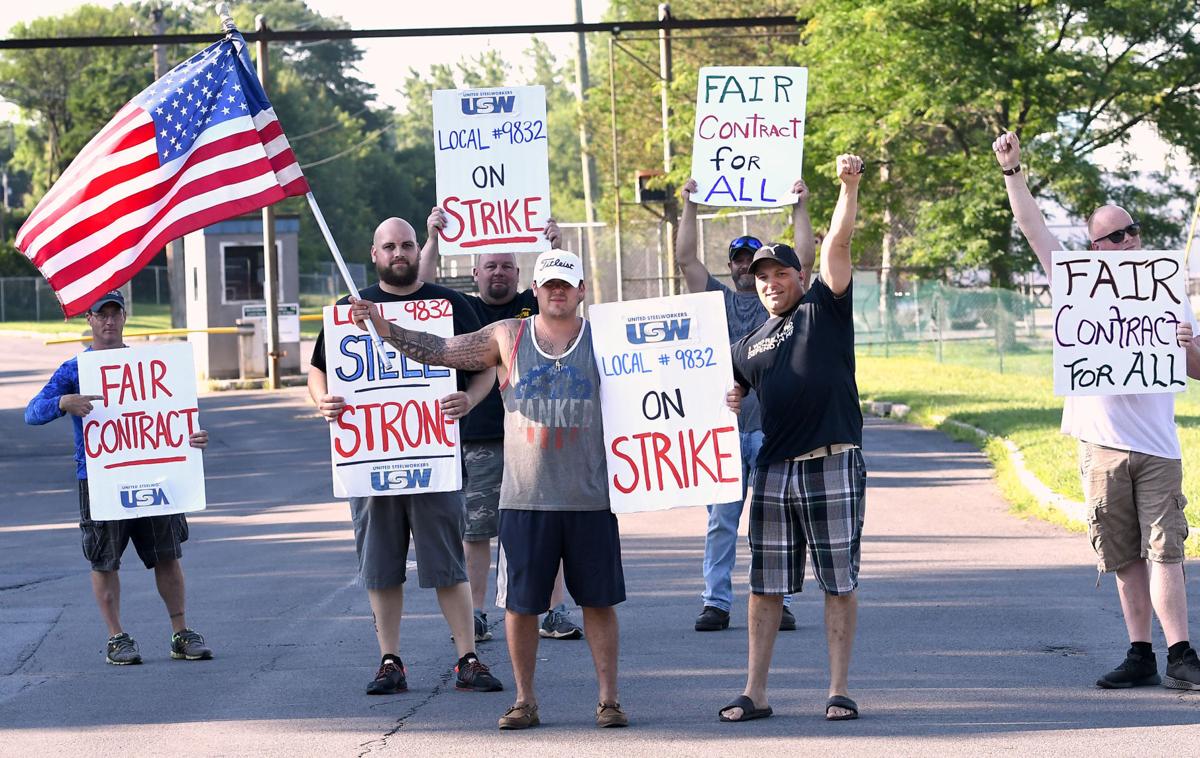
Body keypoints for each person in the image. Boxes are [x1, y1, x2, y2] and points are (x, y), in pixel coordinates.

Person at [349, 249, 628, 730]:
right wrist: (384, 328)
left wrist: (730, 393)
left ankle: (609, 700)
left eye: (567, 284)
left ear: (582, 290)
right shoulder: (508, 336)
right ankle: (525, 700)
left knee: (598, 602)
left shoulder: (606, 339)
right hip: (524, 499)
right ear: (535, 291)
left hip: (591, 497)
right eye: (549, 284)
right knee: (520, 606)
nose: (557, 291)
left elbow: (673, 381)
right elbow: (440, 350)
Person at [993, 131, 1200, 690]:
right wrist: (1014, 172)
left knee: (1165, 549)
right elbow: (1035, 230)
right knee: (1122, 554)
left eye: (1134, 229)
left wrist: (1187, 345)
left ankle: (1181, 652)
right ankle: (1140, 653)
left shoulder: (1168, 289)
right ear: (1097, 247)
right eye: (1117, 234)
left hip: (1157, 443)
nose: (1130, 238)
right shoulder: (1078, 285)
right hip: (1101, 442)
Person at [307, 216, 504, 696]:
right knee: (381, 565)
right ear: (374, 255)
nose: (399, 253)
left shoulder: (449, 305)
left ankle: (467, 659)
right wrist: (322, 401)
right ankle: (389, 660)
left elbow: (487, 364)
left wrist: (471, 400)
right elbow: (317, 371)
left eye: (407, 245)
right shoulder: (347, 310)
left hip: (432, 455)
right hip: (371, 460)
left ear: (419, 250)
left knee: (447, 564)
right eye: (389, 246)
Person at [719, 154, 868, 723]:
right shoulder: (748, 346)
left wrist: (847, 190)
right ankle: (755, 692)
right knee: (765, 585)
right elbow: (727, 394)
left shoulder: (823, 309)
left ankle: (837, 690)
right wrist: (732, 398)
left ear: (799, 278)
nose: (772, 283)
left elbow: (838, 244)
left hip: (831, 462)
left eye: (781, 273)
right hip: (775, 471)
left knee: (838, 578)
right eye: (762, 276)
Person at [418, 208, 585, 642]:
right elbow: (420, 297)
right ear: (474, 273)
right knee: (477, 530)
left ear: (520, 275)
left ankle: (553, 610)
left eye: (507, 266)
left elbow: (565, 288)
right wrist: (432, 237)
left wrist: (555, 244)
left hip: (541, 436)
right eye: (490, 266)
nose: (499, 273)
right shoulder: (463, 309)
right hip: (481, 437)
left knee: (552, 524)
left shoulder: (532, 308)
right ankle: (475, 613)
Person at [25, 291, 213, 666]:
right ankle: (117, 638)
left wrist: (192, 437)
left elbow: (174, 419)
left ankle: (181, 633)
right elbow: (33, 412)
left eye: (115, 313)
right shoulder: (75, 368)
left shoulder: (152, 363)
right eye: (100, 314)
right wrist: (65, 403)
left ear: (125, 317)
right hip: (99, 477)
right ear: (89, 320)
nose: (108, 321)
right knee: (104, 559)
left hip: (155, 472)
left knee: (167, 554)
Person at [676, 176, 816, 633]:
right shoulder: (715, 299)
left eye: (754, 262)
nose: (746, 269)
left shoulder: (783, 304)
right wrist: (690, 205)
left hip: (774, 428)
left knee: (776, 518)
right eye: (739, 261)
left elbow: (805, 259)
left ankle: (782, 598)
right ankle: (716, 601)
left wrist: (799, 205)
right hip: (724, 428)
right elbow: (684, 259)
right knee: (722, 521)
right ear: (734, 268)